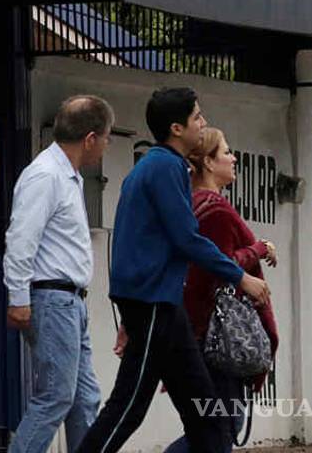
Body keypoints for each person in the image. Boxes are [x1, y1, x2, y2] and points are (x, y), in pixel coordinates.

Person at [73, 87, 271, 453]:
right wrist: (240, 276)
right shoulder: (165, 166)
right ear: (177, 128)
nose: (204, 123)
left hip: (161, 305)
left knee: (207, 416)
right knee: (128, 407)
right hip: (152, 304)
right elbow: (187, 238)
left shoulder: (157, 165)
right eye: (198, 117)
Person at [4, 96, 115, 453]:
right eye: (107, 137)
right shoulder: (46, 175)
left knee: (83, 400)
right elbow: (21, 239)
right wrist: (18, 298)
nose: (107, 145)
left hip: (68, 301)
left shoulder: (67, 175)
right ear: (90, 139)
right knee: (55, 398)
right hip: (52, 299)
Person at [164, 128, 280, 453]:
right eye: (226, 152)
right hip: (215, 339)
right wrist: (256, 249)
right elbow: (219, 265)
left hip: (196, 333)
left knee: (213, 427)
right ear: (208, 163)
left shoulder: (192, 204)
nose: (234, 158)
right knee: (221, 428)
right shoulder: (213, 208)